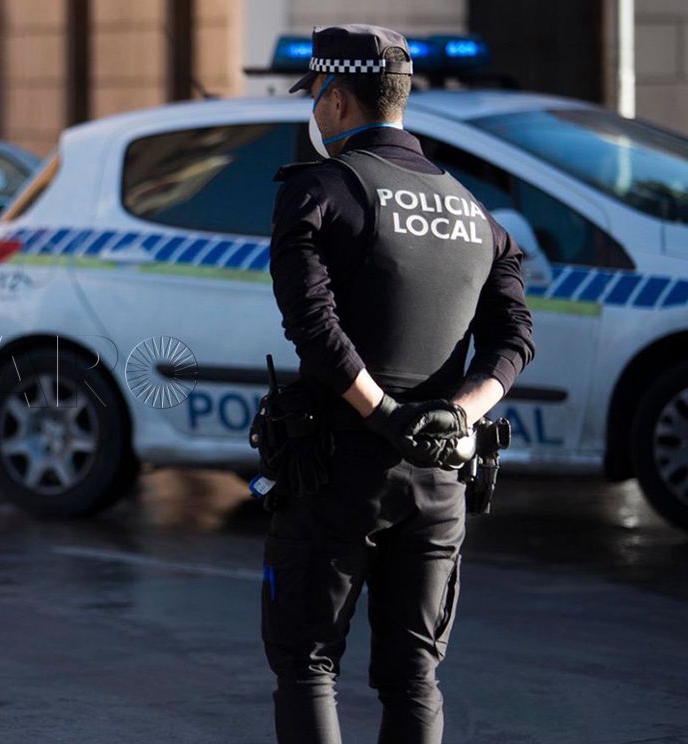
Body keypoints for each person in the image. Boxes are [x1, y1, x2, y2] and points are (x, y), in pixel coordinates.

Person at [261, 24, 535, 744]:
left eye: (313, 97)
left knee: (307, 662)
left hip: (336, 469)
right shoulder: (476, 214)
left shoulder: (319, 192)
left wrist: (382, 412)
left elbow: (314, 329)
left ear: (339, 98)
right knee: (413, 675)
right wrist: (456, 414)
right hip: (440, 476)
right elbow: (514, 340)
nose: (312, 112)